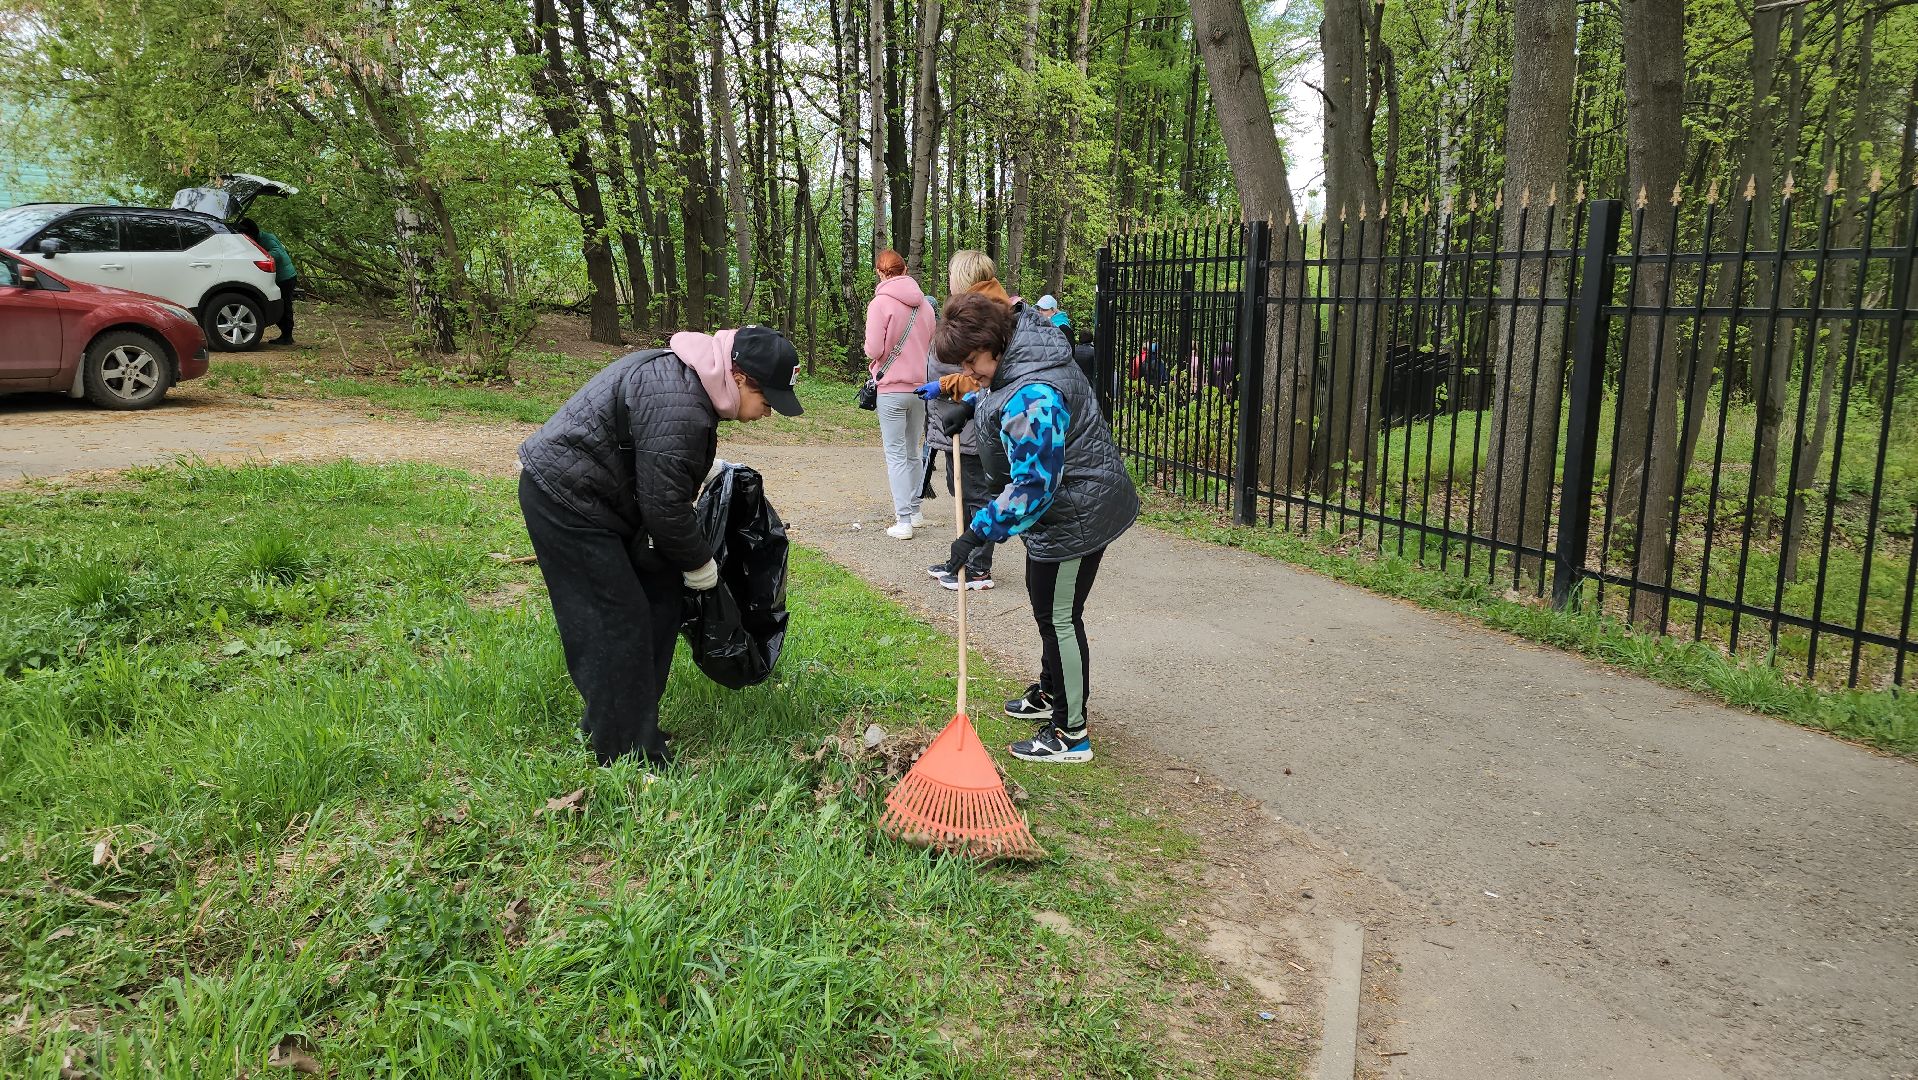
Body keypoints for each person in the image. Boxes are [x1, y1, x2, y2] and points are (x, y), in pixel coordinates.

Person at [517, 326, 804, 766]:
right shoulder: (685, 403)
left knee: (661, 601)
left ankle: (628, 720)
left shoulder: (691, 383)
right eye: (768, 401)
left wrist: (703, 470)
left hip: (606, 499)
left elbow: (659, 458)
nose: (769, 413)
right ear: (741, 377)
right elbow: (666, 512)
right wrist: (702, 568)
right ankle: (624, 751)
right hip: (567, 500)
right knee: (617, 620)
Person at [933, 292, 1140, 763]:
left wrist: (977, 532)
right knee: (1045, 602)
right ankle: (1052, 690)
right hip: (1063, 512)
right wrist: (974, 407)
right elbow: (1001, 394)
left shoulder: (1034, 394)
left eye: (972, 361)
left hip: (1079, 514)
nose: (971, 371)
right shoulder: (1024, 356)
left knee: (1060, 617)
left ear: (995, 343)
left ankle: (1071, 733)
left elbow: (1033, 485)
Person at [917, 249, 1013, 591]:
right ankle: (963, 557)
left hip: (976, 424)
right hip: (959, 418)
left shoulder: (987, 316)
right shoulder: (974, 309)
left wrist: (944, 384)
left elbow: (981, 375)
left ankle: (977, 568)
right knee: (959, 489)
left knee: (975, 494)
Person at [864, 249, 935, 539]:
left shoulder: (879, 303)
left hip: (891, 388)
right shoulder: (925, 306)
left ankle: (903, 520)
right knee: (913, 452)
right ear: (904, 270)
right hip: (920, 388)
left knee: (895, 454)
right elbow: (931, 345)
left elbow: (873, 349)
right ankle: (916, 511)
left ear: (880, 273)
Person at [236, 218, 298, 345]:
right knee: (281, 305)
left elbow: (278, 254)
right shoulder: (255, 239)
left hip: (285, 278)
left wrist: (259, 257)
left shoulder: (267, 239)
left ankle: (287, 336)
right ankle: (285, 334)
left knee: (284, 305)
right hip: (279, 277)